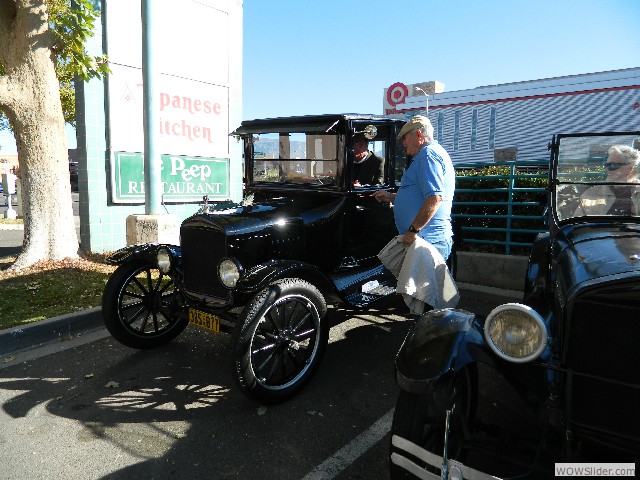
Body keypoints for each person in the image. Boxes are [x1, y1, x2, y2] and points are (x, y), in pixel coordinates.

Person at [373, 115, 455, 260]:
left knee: (422, 283)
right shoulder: (431, 153)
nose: (403, 143)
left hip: (427, 241)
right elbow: (421, 194)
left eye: (405, 138)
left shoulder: (427, 155)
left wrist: (413, 231)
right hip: (426, 240)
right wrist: (392, 197)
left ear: (418, 135)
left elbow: (435, 198)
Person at [574, 145, 640, 216]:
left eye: (612, 165)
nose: (606, 169)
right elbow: (577, 224)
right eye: (606, 165)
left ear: (630, 169)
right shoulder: (590, 195)